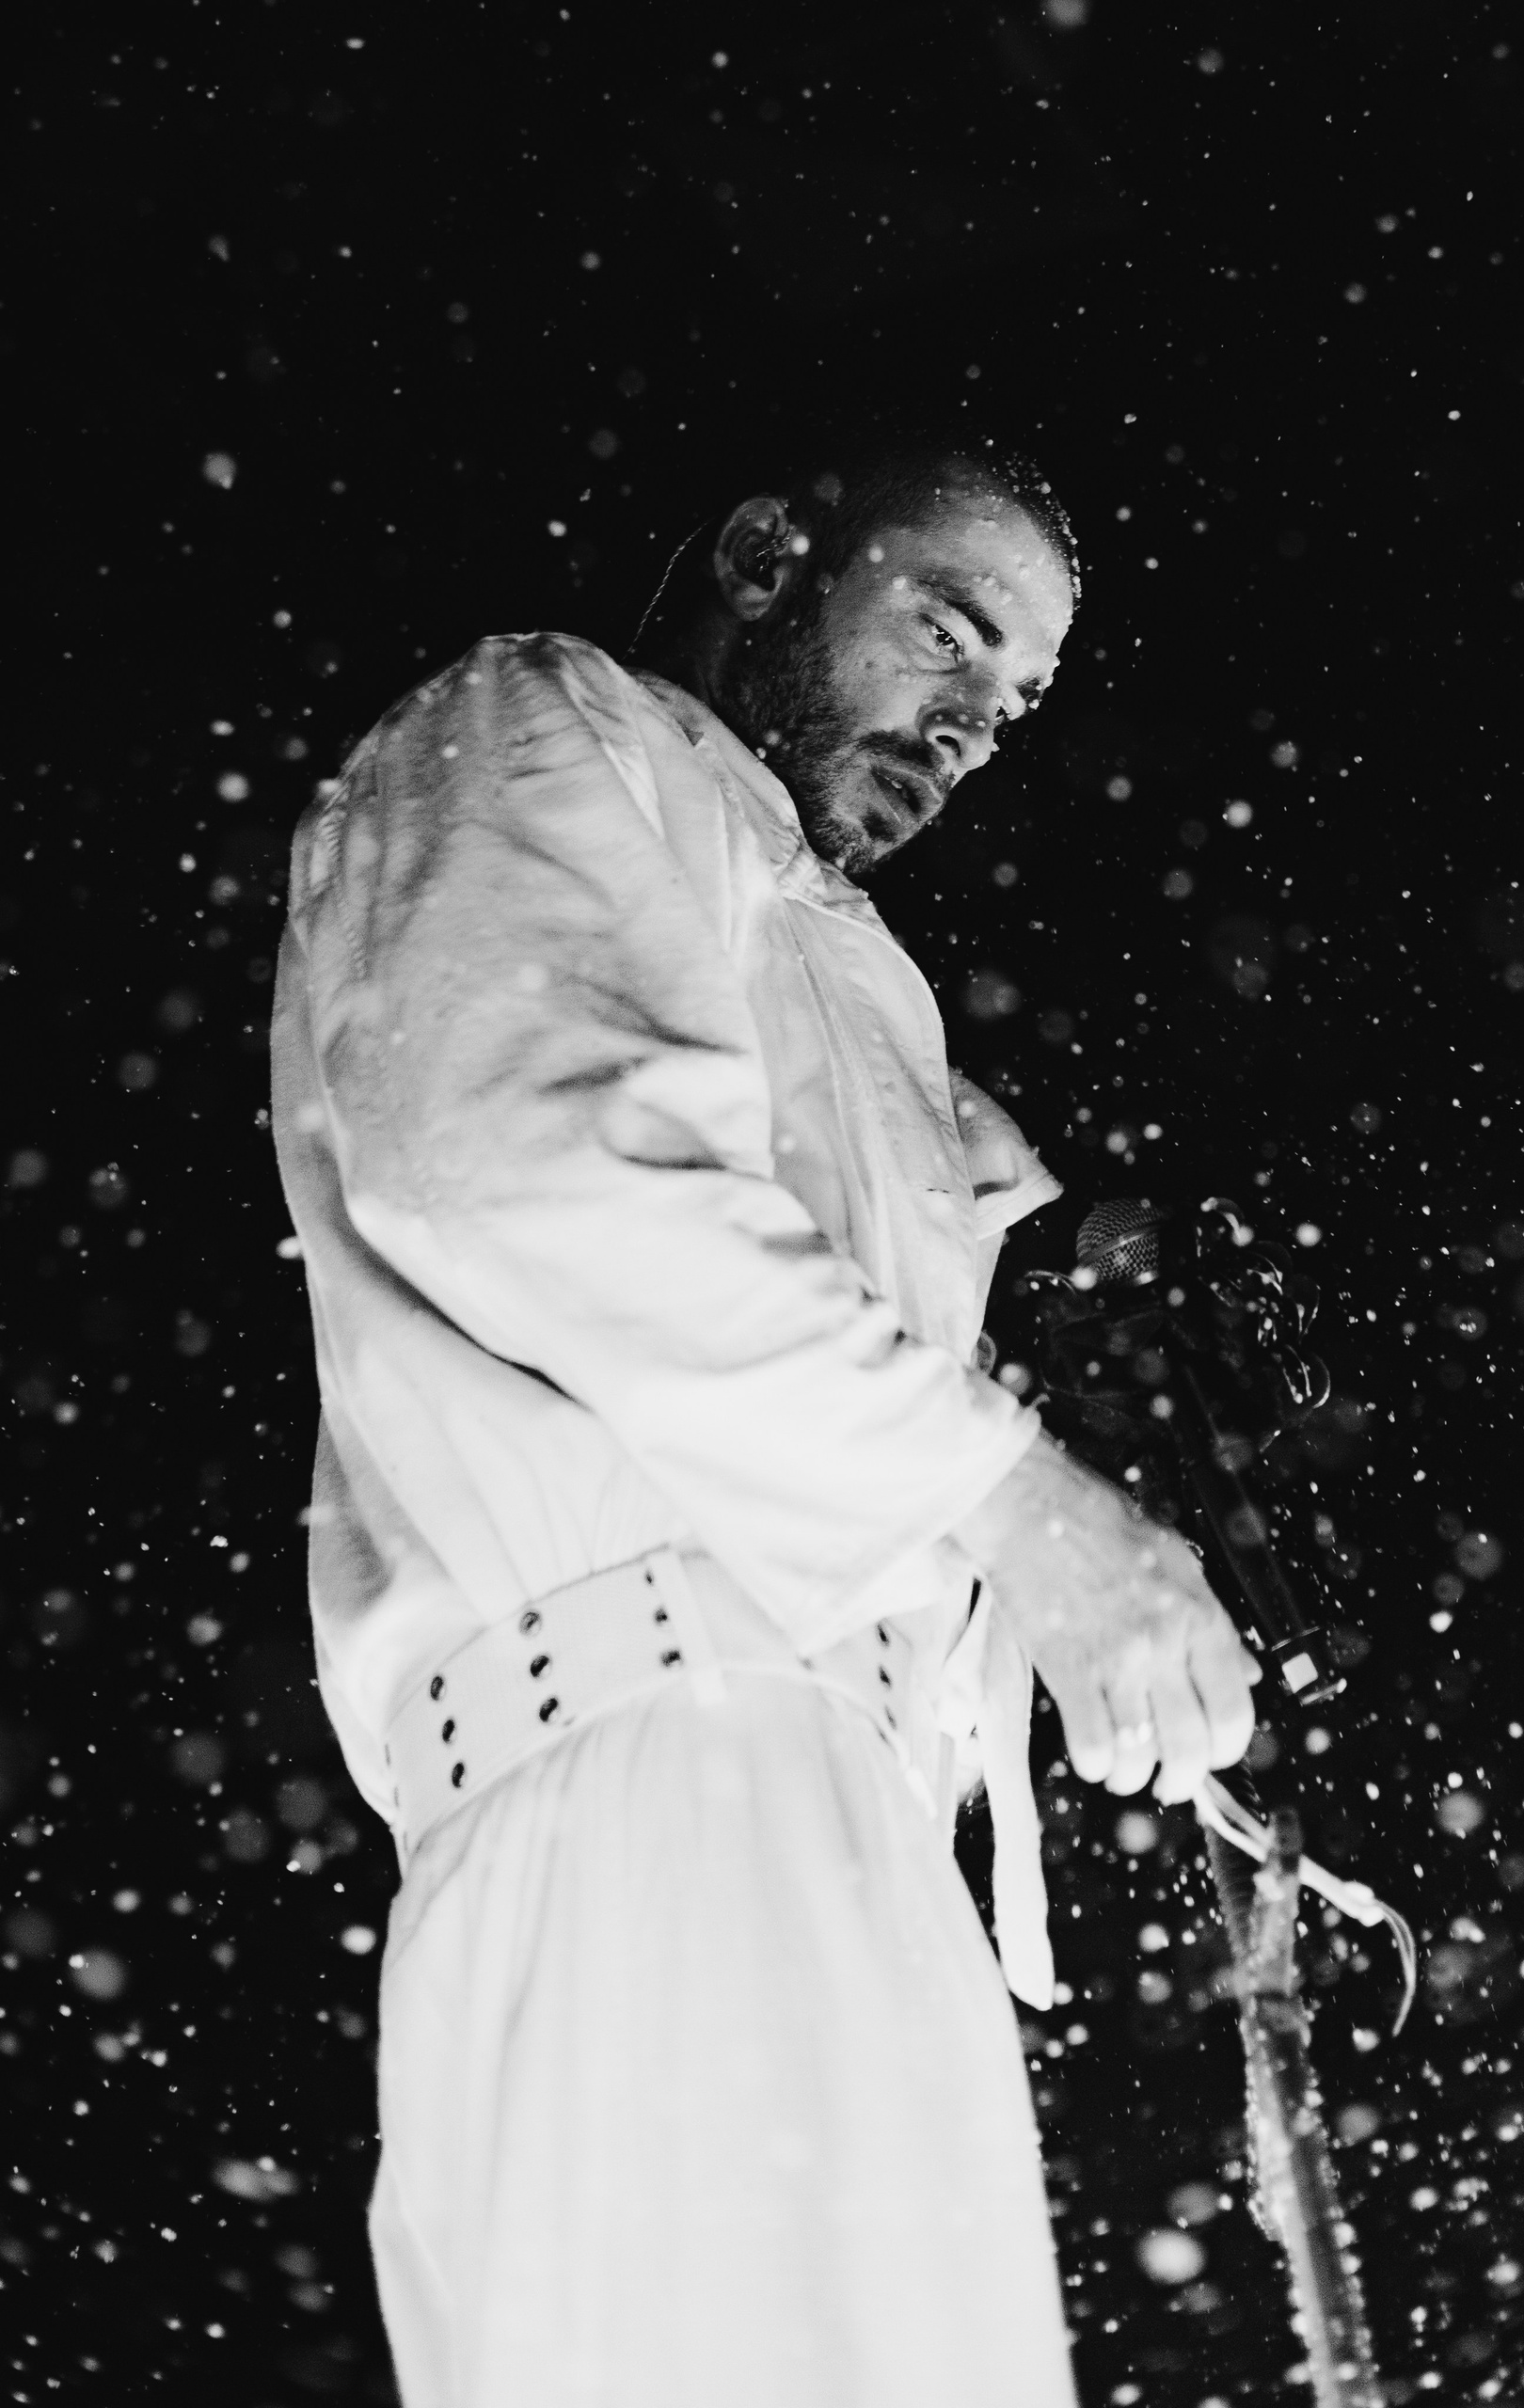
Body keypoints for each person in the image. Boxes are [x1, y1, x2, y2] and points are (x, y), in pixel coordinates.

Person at [270, 429, 1259, 2408]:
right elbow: (525, 1162)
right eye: (948, 632)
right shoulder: (552, 723)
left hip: (842, 1824)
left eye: (1016, 703)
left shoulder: (853, 976)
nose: (971, 727)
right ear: (765, 557)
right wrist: (1025, 1504)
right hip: (656, 1763)